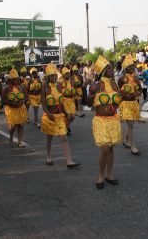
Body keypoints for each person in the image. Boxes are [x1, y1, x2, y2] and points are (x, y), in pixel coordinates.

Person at [87, 56, 122, 189]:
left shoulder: (114, 84)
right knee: (105, 148)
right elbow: (89, 103)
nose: (111, 69)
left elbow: (117, 101)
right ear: (102, 70)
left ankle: (109, 174)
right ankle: (101, 175)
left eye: (111, 67)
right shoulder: (96, 85)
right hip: (100, 120)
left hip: (113, 120)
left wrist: (121, 95)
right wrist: (92, 95)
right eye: (108, 68)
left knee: (111, 148)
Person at [41, 64, 80, 168]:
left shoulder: (59, 86)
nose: (53, 78)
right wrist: (49, 115)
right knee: (49, 138)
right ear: (48, 76)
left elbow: (61, 103)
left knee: (63, 138)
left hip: (60, 116)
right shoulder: (44, 87)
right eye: (51, 76)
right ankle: (48, 156)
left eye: (55, 75)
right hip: (50, 117)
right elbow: (44, 105)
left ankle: (69, 161)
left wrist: (66, 114)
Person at [118, 55, 142, 155]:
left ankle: (126, 140)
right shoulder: (122, 79)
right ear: (126, 68)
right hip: (126, 104)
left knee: (131, 124)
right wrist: (124, 94)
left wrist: (138, 93)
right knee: (131, 124)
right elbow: (119, 92)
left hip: (134, 104)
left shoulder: (136, 79)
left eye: (133, 66)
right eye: (130, 66)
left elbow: (140, 89)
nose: (133, 68)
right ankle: (133, 146)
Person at [2, 68, 28, 148]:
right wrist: (12, 102)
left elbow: (27, 97)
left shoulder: (21, 88)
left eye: (16, 79)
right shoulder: (6, 89)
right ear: (10, 80)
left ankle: (19, 142)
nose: (15, 81)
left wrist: (23, 101)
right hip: (11, 109)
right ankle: (11, 135)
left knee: (20, 125)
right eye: (13, 79)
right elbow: (3, 100)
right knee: (13, 126)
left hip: (21, 108)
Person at [59, 67, 76, 134]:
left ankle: (66, 125)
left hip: (71, 101)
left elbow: (75, 91)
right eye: (66, 74)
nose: (67, 75)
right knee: (67, 116)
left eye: (68, 74)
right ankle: (65, 128)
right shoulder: (60, 83)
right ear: (63, 75)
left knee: (72, 117)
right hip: (64, 101)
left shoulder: (72, 82)